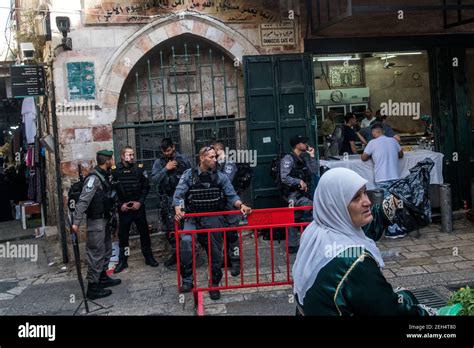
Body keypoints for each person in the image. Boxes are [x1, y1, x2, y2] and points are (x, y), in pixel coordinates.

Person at [292, 168, 436, 316]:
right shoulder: (355, 262)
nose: (367, 201)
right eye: (355, 197)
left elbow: (361, 231)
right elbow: (390, 311)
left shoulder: (316, 231)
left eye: (365, 192)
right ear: (335, 205)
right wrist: (428, 312)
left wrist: (393, 204)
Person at [173, 146, 252, 300]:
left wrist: (241, 205)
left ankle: (214, 284)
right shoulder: (189, 175)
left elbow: (232, 195)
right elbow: (178, 195)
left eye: (215, 157)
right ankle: (188, 281)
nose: (215, 160)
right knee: (186, 245)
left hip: (213, 218)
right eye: (211, 157)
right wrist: (178, 208)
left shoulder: (221, 177)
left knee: (216, 253)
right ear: (202, 158)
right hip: (193, 218)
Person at [71, 150, 121, 300]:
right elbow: (83, 201)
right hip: (96, 222)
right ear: (107, 161)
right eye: (111, 159)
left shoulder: (104, 175)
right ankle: (92, 288)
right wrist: (75, 223)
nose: (113, 161)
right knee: (96, 253)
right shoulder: (93, 178)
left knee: (106, 250)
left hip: (104, 220)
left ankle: (102, 278)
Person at [112, 146, 158, 273]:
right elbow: (112, 190)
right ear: (122, 156)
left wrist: (140, 202)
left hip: (138, 208)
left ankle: (148, 257)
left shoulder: (139, 169)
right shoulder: (115, 171)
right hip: (124, 209)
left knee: (144, 233)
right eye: (129, 155)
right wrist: (120, 204)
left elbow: (146, 187)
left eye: (133, 154)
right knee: (123, 236)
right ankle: (123, 260)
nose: (132, 157)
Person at [151, 138, 191, 269]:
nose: (166, 153)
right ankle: (176, 254)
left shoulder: (183, 159)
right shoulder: (159, 162)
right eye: (164, 151)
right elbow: (154, 180)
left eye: (168, 150)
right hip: (168, 200)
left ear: (173, 147)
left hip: (182, 200)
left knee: (185, 228)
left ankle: (187, 255)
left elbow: (192, 177)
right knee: (171, 230)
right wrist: (165, 169)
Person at [361, 123, 405, 238]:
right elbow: (401, 155)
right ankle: (399, 227)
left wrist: (374, 155)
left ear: (374, 133)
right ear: (383, 132)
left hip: (382, 178)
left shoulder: (372, 143)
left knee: (387, 204)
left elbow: (363, 158)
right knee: (395, 202)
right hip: (395, 177)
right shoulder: (393, 141)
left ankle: (392, 230)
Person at [280, 135, 318, 254]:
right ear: (297, 145)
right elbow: (284, 177)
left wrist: (312, 156)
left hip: (302, 195)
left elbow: (314, 170)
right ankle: (293, 245)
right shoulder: (288, 159)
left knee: (310, 211)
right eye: (303, 143)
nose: (306, 145)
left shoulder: (303, 158)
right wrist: (299, 181)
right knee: (291, 218)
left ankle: (308, 240)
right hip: (291, 195)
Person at [211, 140, 241, 277]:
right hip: (218, 206)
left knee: (232, 235)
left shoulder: (229, 164)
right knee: (220, 235)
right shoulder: (214, 166)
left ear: (218, 151)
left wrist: (220, 162)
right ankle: (225, 259)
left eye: (213, 152)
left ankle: (235, 262)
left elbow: (224, 181)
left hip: (230, 205)